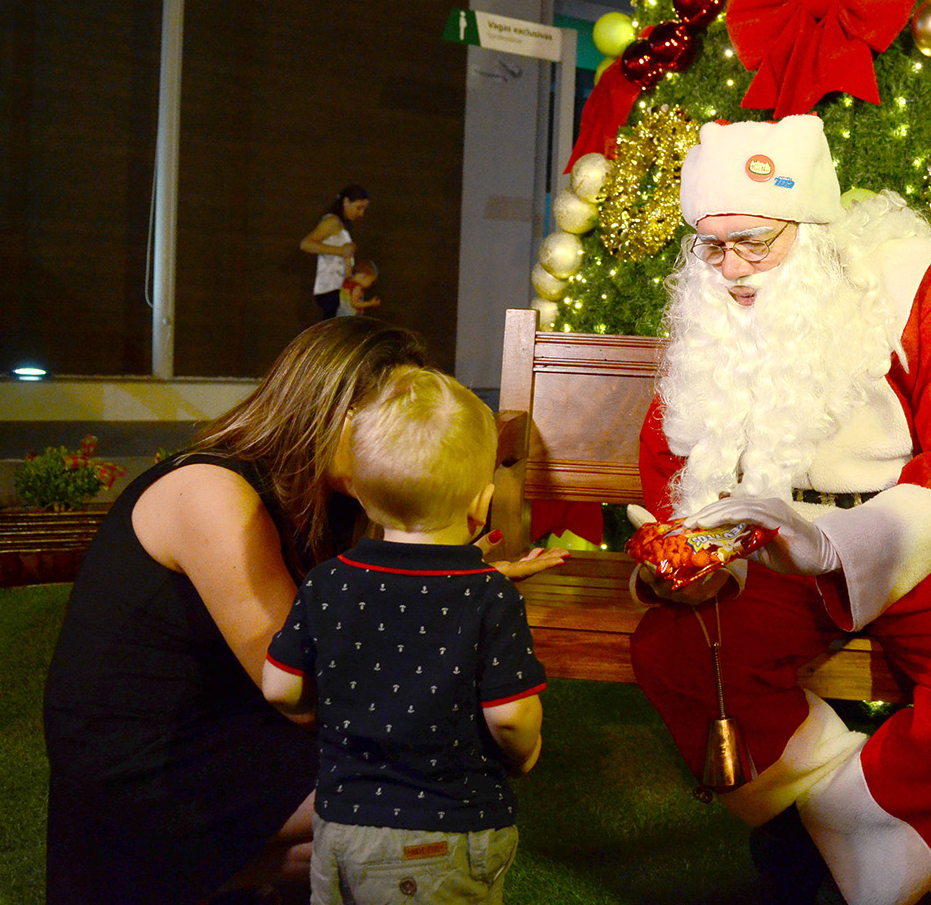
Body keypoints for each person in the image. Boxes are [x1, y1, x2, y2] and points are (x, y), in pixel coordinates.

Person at [627, 115, 931, 905]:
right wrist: (694, 560)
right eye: (712, 246)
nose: (731, 268)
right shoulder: (711, 305)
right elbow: (674, 456)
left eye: (754, 243)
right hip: (766, 545)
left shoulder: (917, 281)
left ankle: (840, 821)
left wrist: (842, 544)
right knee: (677, 655)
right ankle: (837, 834)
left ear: (807, 226)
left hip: (928, 537)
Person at [41, 317, 562, 905]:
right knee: (427, 784)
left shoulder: (335, 494)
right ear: (329, 410)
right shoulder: (211, 492)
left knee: (396, 798)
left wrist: (453, 581)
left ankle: (236, 874)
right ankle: (172, 875)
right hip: (156, 758)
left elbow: (355, 617)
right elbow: (314, 691)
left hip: (236, 716)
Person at [264, 367, 544, 905]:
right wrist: (527, 753)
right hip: (447, 828)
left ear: (363, 496)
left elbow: (279, 687)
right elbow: (510, 716)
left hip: (339, 823)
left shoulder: (327, 581)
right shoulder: (489, 592)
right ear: (481, 502)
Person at [301, 185, 369, 320]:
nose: (361, 214)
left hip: (339, 288)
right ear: (346, 201)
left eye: (364, 209)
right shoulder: (332, 222)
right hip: (331, 289)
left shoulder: (341, 225)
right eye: (359, 207)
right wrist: (340, 251)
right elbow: (306, 244)